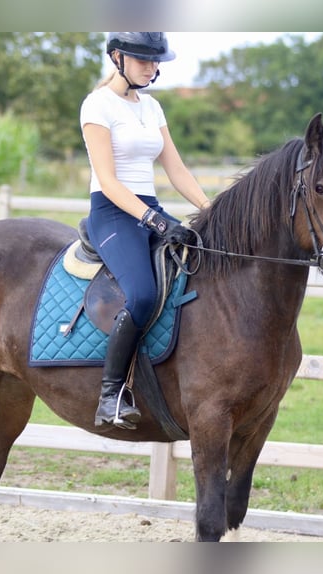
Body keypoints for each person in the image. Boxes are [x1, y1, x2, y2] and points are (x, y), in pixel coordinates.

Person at [80, 32, 211, 430]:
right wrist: (157, 222)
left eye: (156, 62)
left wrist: (211, 211)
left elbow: (176, 170)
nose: (152, 68)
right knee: (141, 293)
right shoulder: (97, 105)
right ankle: (111, 394)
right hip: (113, 213)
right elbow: (109, 180)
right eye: (144, 60)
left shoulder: (152, 108)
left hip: (148, 208)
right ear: (117, 57)